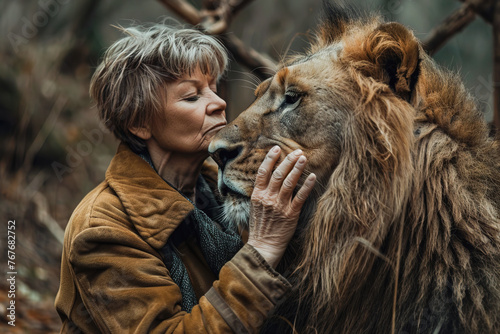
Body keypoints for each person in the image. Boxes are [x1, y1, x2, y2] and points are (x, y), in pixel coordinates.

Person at [55, 22, 316, 333]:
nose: (219, 103)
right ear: (140, 122)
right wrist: (262, 249)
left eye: (213, 88)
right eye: (192, 96)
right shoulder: (102, 228)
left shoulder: (225, 188)